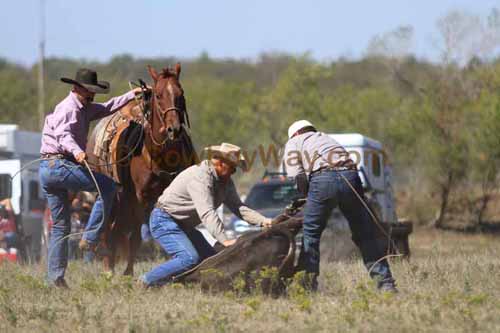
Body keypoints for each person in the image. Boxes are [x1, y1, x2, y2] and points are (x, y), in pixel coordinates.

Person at [39, 68, 143, 287]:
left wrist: (133, 95)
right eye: (90, 91)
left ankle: (54, 279)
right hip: (58, 164)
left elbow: (108, 107)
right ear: (77, 89)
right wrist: (77, 151)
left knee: (60, 227)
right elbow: (64, 135)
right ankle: (92, 237)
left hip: (48, 169)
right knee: (107, 187)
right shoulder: (69, 109)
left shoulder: (84, 107)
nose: (93, 95)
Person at [283, 120, 397, 292]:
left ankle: (307, 286)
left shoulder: (294, 141)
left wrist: (304, 195)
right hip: (351, 177)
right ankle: (386, 284)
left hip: (322, 180)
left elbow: (297, 176)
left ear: (295, 134)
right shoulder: (326, 138)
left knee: (311, 233)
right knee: (365, 234)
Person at [140, 143, 273, 287]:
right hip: (164, 220)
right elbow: (207, 212)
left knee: (212, 260)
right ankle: (145, 281)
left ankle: (181, 285)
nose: (234, 172)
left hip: (183, 225)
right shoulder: (200, 177)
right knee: (189, 258)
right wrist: (224, 239)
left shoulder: (225, 182)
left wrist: (265, 221)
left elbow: (239, 207)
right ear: (221, 163)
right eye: (233, 168)